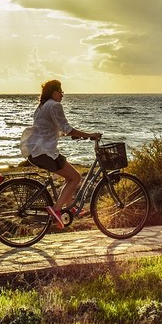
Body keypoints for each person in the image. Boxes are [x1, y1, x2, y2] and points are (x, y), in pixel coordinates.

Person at [27, 79, 100, 227]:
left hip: (34, 150)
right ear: (54, 93)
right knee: (75, 177)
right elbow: (67, 128)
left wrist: (72, 134)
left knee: (70, 176)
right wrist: (90, 135)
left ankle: (69, 208)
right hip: (45, 152)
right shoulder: (55, 105)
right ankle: (56, 210)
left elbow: (50, 127)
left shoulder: (42, 106)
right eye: (61, 92)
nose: (62, 95)